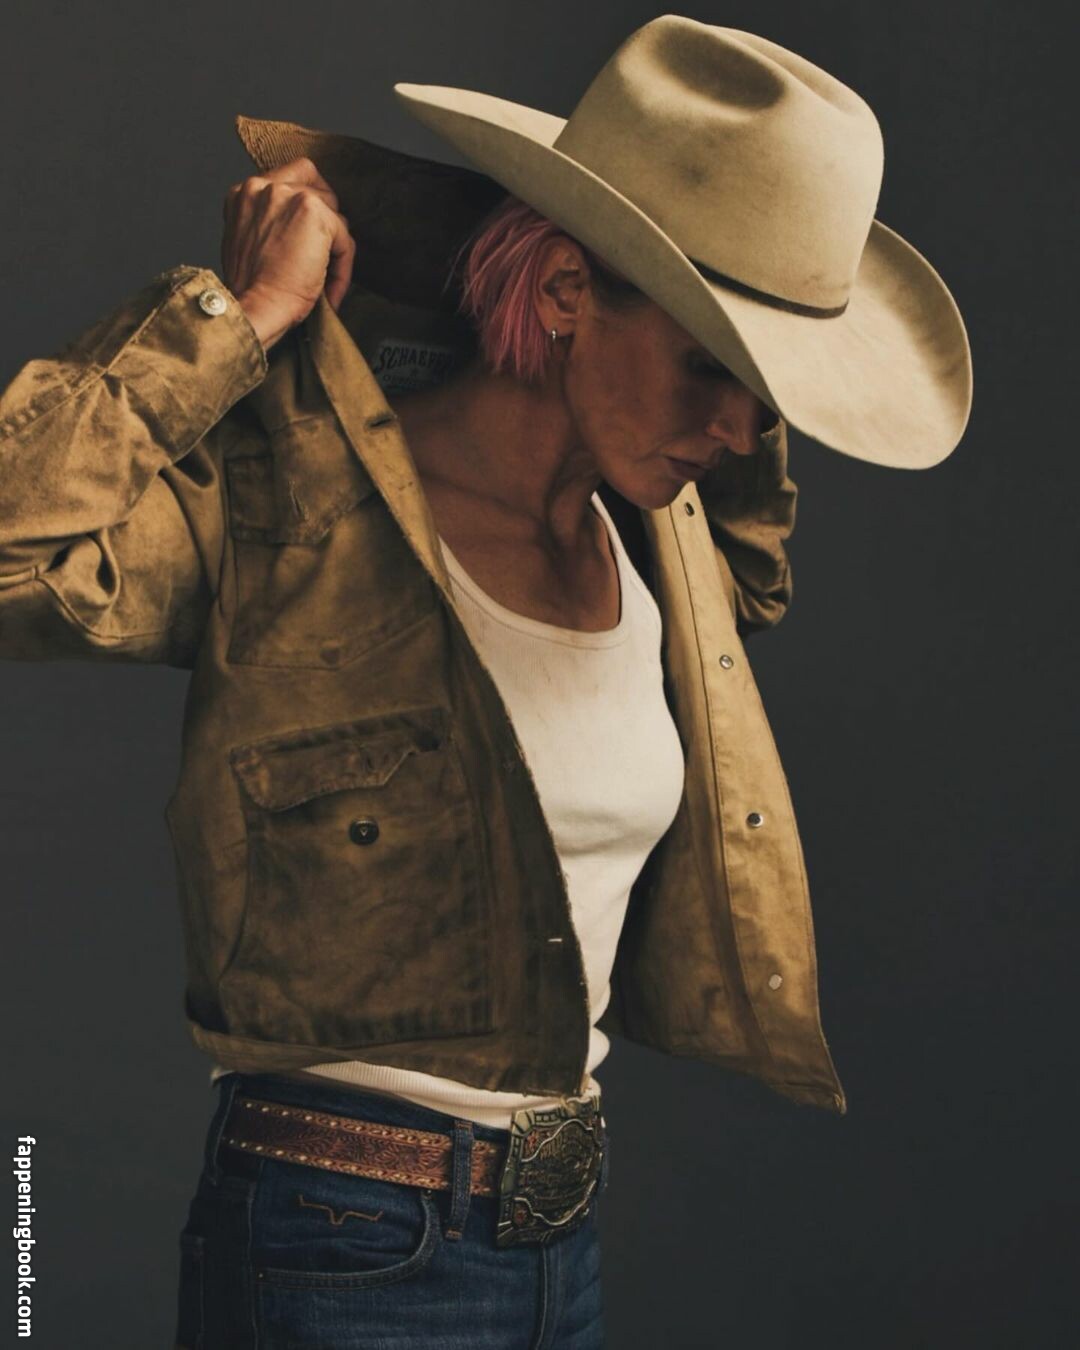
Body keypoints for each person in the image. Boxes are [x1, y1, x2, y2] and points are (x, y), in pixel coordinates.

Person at [0, 16, 972, 1349]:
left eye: (771, 395)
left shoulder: (671, 551)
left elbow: (753, 561)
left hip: (559, 1255)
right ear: (565, 290)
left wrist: (703, 345)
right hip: (340, 1246)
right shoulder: (293, 512)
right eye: (712, 366)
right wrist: (234, 319)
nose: (743, 433)